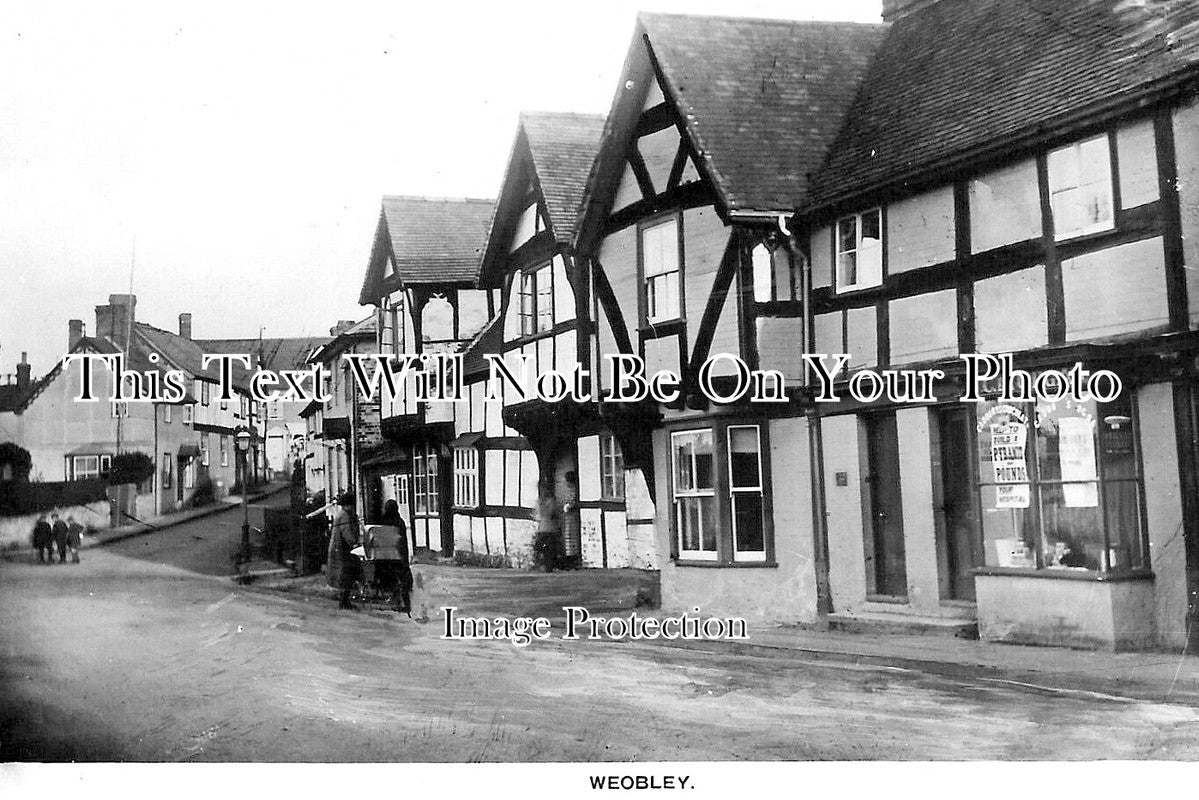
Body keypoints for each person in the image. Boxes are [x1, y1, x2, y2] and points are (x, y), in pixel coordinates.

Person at [325, 490, 362, 610]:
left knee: (344, 576)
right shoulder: (345, 515)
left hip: (339, 548)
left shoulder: (342, 514)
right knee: (346, 576)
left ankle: (344, 600)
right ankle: (344, 602)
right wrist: (355, 543)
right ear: (348, 505)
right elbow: (348, 533)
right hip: (341, 550)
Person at [378, 499, 413, 615]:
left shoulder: (383, 521)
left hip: (389, 554)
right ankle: (406, 605)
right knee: (402, 580)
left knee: (393, 580)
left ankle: (397, 603)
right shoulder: (400, 521)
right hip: (400, 554)